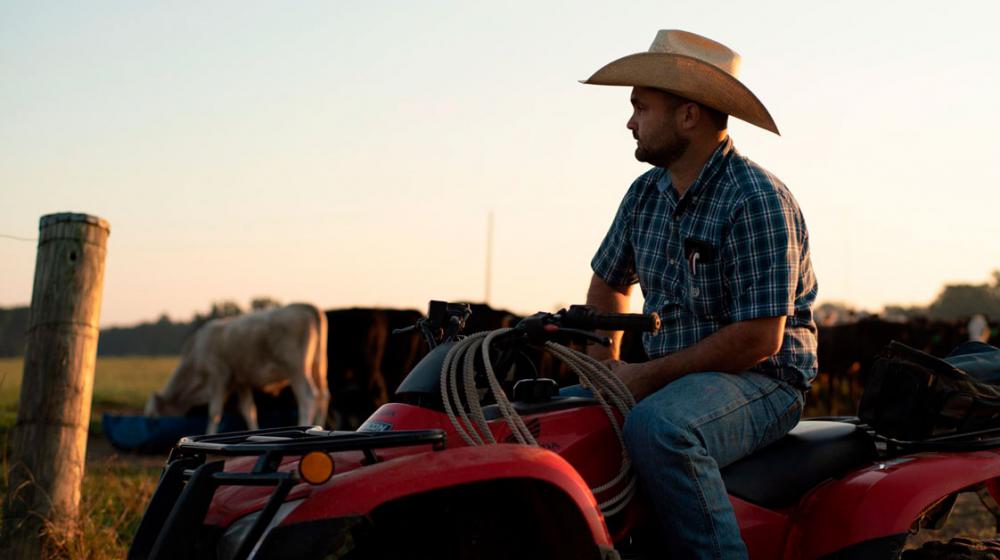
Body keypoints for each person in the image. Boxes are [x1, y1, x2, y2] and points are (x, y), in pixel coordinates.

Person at [581, 30, 818, 559]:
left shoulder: (756, 198)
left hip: (763, 380)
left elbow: (758, 338)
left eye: (641, 107)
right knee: (562, 417)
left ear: (688, 116)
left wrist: (640, 378)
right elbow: (609, 283)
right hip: (677, 377)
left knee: (661, 428)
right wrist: (606, 368)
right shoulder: (646, 194)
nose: (629, 121)